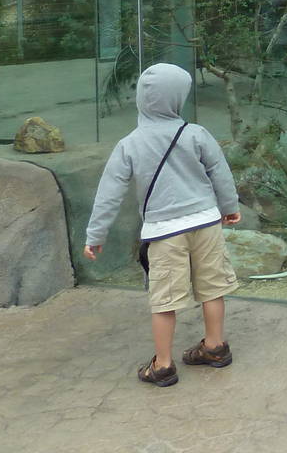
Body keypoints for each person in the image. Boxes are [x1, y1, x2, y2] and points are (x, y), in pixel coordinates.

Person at [84, 62, 243, 387]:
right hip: (205, 224)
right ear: (177, 99)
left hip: (165, 232)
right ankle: (215, 347)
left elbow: (109, 193)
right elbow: (220, 172)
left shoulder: (130, 144)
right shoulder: (195, 133)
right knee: (213, 288)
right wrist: (229, 207)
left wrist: (96, 235)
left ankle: (163, 364)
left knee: (164, 300)